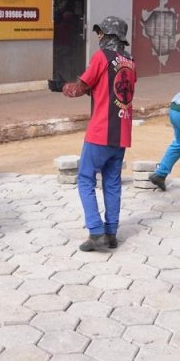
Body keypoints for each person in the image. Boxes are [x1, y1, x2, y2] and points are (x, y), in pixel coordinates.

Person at [61, 16, 137, 252]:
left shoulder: (101, 57)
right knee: (112, 183)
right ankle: (111, 232)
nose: (99, 37)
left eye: (101, 33)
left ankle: (95, 232)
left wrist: (62, 86)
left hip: (100, 131)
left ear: (110, 35)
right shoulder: (131, 62)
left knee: (85, 179)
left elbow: (79, 88)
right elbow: (109, 90)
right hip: (121, 132)